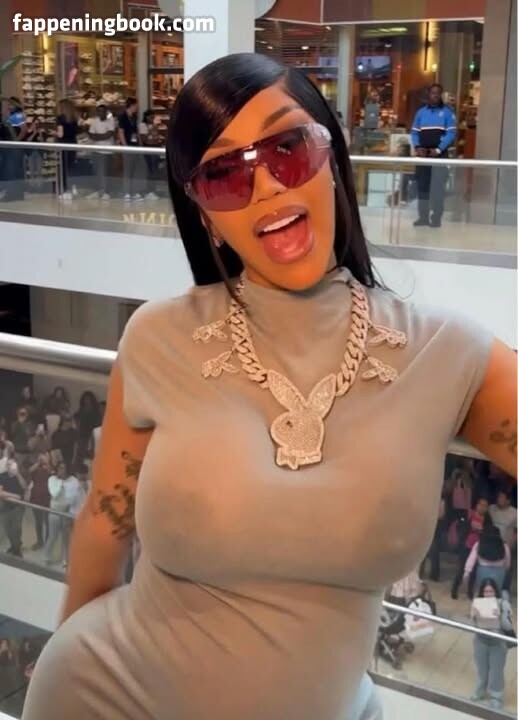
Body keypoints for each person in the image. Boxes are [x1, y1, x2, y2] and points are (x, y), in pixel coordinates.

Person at [22, 53, 517, 720]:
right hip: (106, 694)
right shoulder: (157, 338)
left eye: (288, 149)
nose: (265, 186)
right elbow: (104, 526)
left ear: (332, 157)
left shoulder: (445, 351)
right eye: (224, 174)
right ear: (204, 214)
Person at [410, 83, 457, 228]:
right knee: (422, 187)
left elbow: (451, 133)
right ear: (428, 95)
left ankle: (436, 218)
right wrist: (418, 147)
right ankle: (423, 217)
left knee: (438, 188)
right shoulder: (421, 113)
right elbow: (414, 132)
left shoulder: (447, 113)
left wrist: (438, 149)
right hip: (423, 156)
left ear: (441, 95)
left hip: (439, 156)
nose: (435, 95)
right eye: (433, 93)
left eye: (438, 93)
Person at [471, 579, 514, 709]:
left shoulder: (503, 604)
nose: (488, 594)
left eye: (491, 591)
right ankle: (480, 692)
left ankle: (496, 697)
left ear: (495, 592)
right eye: (486, 591)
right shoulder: (477, 603)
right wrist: (474, 616)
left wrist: (500, 616)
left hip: (497, 643)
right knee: (482, 669)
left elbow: (508, 626)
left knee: (496, 672)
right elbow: (474, 626)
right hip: (480, 641)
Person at [451, 497, 492, 600]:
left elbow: (489, 532)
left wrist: (482, 530)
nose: (482, 507)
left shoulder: (488, 519)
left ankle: (470, 591)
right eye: (481, 504)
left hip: (478, 548)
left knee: (474, 571)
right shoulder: (469, 514)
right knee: (461, 569)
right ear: (477, 505)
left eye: (485, 506)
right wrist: (470, 527)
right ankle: (454, 589)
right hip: (466, 545)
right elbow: (460, 526)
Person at [45, 461, 80, 567]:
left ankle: (65, 559)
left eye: (63, 468)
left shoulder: (73, 480)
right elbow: (54, 494)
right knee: (52, 536)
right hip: (55, 512)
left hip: (67, 512)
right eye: (60, 468)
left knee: (66, 538)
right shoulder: (52, 479)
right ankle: (47, 557)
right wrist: (61, 482)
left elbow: (74, 497)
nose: (61, 470)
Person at [464, 525, 511, 592]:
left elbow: (471, 559)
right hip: (499, 572)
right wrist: (505, 569)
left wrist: (467, 571)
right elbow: (507, 562)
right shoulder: (505, 546)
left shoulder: (479, 544)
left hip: (482, 571)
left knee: (482, 592)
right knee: (496, 592)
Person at [490, 490, 517, 591]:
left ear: (508, 501)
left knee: (507, 568)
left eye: (502, 497)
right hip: (493, 545)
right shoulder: (492, 509)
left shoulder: (515, 513)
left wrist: (513, 542)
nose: (499, 499)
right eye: (498, 497)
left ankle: (505, 590)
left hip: (507, 546)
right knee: (493, 567)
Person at [87, 101, 115, 200]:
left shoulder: (111, 121)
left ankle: (107, 192)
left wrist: (97, 136)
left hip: (107, 151)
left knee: (106, 172)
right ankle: (98, 191)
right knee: (97, 172)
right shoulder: (94, 121)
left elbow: (109, 135)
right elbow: (91, 135)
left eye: (103, 111)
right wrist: (101, 136)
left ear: (106, 112)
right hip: (96, 150)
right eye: (99, 111)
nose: (101, 113)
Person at [1, 97, 28, 201]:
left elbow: (24, 130)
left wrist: (16, 141)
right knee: (10, 169)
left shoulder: (15, 116)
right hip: (7, 146)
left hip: (14, 146)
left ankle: (14, 193)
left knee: (12, 170)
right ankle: (14, 193)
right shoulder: (5, 117)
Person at [118, 97, 143, 202]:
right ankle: (126, 192)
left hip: (135, 145)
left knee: (135, 169)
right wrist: (125, 146)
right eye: (136, 105)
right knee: (127, 170)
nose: (137, 107)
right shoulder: (123, 116)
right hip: (127, 145)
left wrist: (140, 143)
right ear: (132, 105)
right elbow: (121, 132)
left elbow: (136, 131)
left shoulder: (134, 116)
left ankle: (134, 191)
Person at [0, 460, 26, 557]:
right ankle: (14, 546)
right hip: (5, 507)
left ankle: (17, 550)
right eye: (9, 465)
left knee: (16, 529)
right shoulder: (2, 476)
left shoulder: (19, 476)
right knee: (8, 529)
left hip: (18, 507)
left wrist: (18, 474)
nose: (10, 466)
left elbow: (24, 487)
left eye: (12, 464)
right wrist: (15, 496)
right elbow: (0, 493)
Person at [27, 452, 51, 550]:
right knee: (38, 522)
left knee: (47, 522)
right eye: (40, 457)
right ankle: (39, 541)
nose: (42, 459)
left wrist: (47, 462)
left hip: (47, 499)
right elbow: (29, 471)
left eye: (43, 457)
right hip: (36, 498)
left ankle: (48, 542)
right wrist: (38, 463)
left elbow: (51, 471)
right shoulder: (35, 468)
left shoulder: (49, 468)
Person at [56, 99, 79, 201]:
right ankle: (73, 187)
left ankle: (64, 190)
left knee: (63, 168)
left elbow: (60, 134)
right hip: (73, 143)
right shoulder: (74, 118)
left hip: (63, 144)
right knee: (71, 166)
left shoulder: (60, 118)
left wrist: (53, 132)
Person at [139, 109, 162, 200]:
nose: (152, 118)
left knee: (155, 170)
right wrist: (151, 130)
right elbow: (145, 139)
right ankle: (149, 190)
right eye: (151, 117)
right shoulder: (143, 125)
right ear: (146, 117)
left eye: (153, 117)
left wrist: (154, 134)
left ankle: (153, 190)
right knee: (150, 170)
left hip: (155, 148)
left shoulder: (154, 125)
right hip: (148, 149)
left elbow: (156, 138)